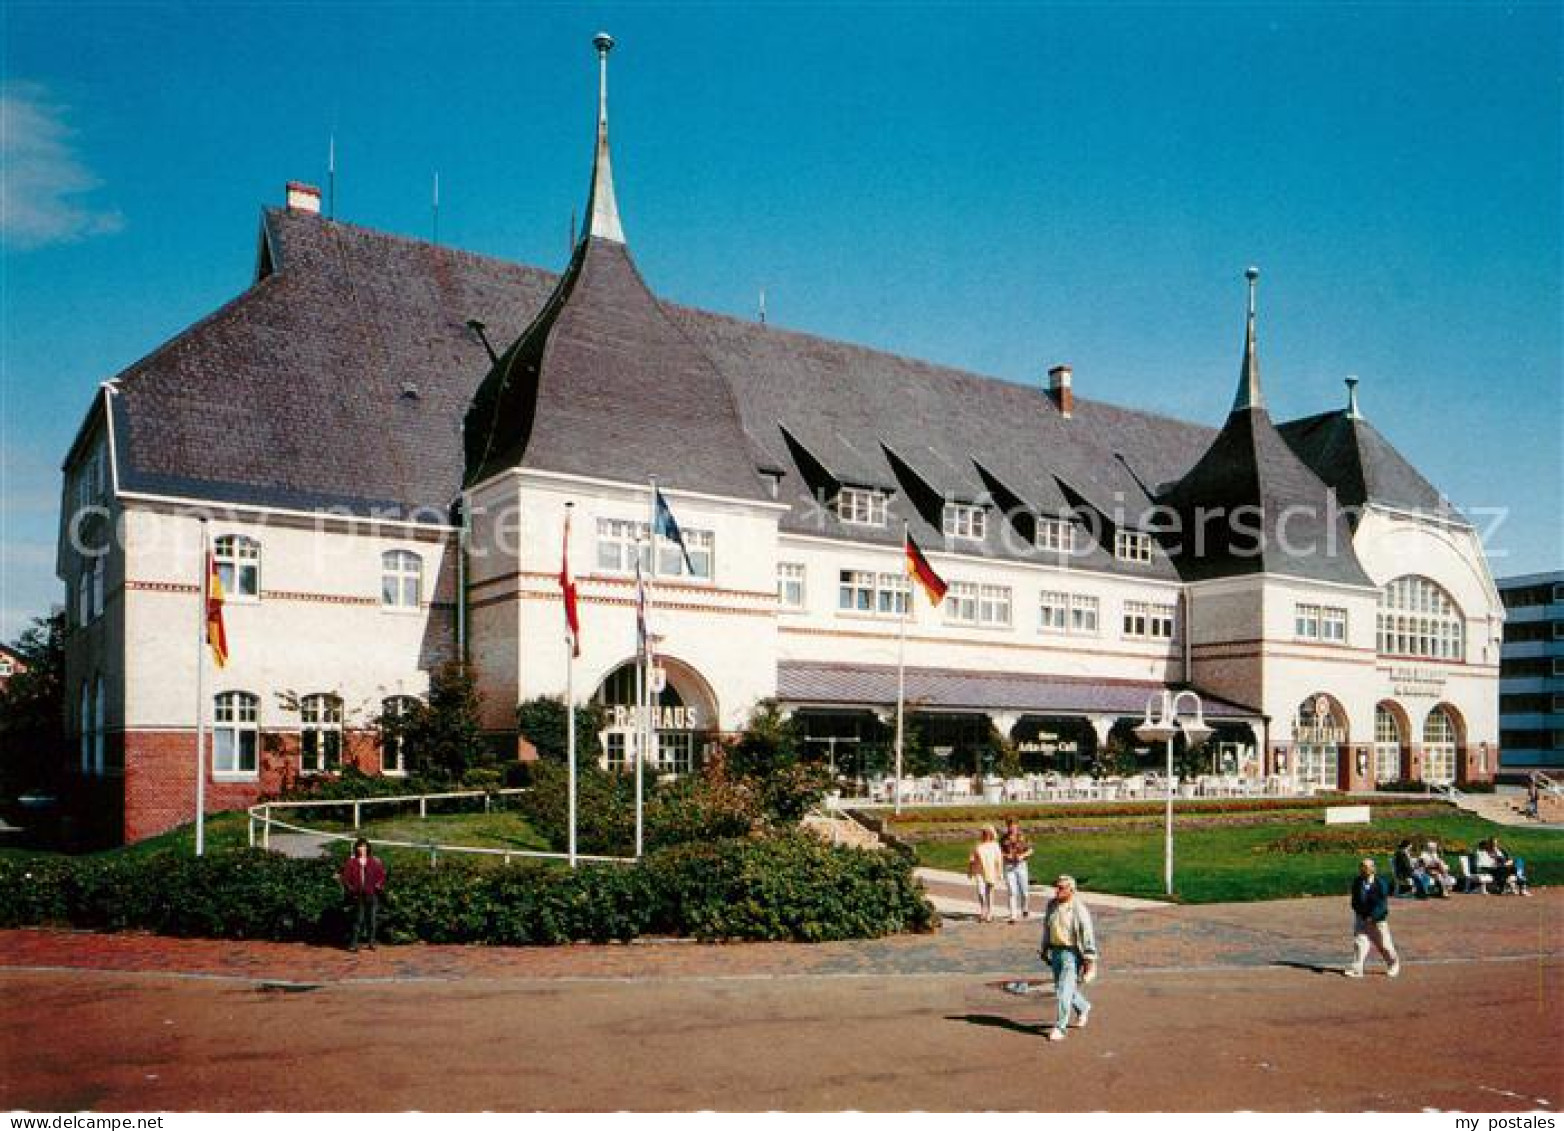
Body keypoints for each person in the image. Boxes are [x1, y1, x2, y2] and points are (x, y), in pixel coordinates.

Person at [1039, 874, 1097, 1042]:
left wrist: (1089, 959)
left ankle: (1060, 1028)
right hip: (1056, 951)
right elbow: (1047, 928)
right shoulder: (1051, 905)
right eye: (1056, 887)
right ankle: (1083, 1007)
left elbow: (1087, 934)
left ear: (1071, 890)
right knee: (1061, 987)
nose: (1057, 890)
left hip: (1072, 953)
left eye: (1061, 888)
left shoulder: (1078, 908)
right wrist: (1044, 948)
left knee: (1064, 991)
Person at [1344, 857, 1400, 978]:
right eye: (1363, 866)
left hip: (1378, 920)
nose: (1365, 869)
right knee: (1360, 943)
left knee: (1384, 945)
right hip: (1361, 918)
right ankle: (1357, 970)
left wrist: (1373, 917)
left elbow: (1382, 905)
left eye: (1368, 867)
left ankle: (1393, 964)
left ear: (1374, 869)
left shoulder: (1380, 884)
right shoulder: (1357, 882)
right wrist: (1360, 913)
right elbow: (1354, 901)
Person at [340, 837, 387, 951]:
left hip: (372, 895)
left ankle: (372, 943)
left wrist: (378, 885)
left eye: (365, 846)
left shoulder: (374, 861)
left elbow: (382, 876)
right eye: (360, 846)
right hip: (358, 895)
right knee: (358, 920)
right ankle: (354, 944)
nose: (362, 849)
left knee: (372, 920)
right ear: (356, 848)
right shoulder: (351, 862)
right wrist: (351, 888)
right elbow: (345, 878)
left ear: (368, 848)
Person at [1000, 816, 1035, 923]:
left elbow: (1031, 850)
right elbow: (999, 852)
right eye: (1010, 825)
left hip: (1021, 865)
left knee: (1024, 891)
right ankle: (1013, 915)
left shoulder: (1023, 837)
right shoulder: (1003, 839)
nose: (1012, 827)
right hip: (1009, 867)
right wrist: (1006, 856)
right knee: (1012, 891)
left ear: (1017, 825)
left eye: (1014, 825)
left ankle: (1025, 908)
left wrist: (1023, 855)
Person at [968, 825, 1004, 923]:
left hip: (991, 871)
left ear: (991, 834)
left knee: (990, 892)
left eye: (987, 833)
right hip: (979, 871)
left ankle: (990, 912)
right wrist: (970, 870)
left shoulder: (995, 845)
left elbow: (999, 860)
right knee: (980, 891)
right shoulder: (978, 845)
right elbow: (972, 859)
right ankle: (983, 908)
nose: (985, 835)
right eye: (984, 833)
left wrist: (1000, 872)